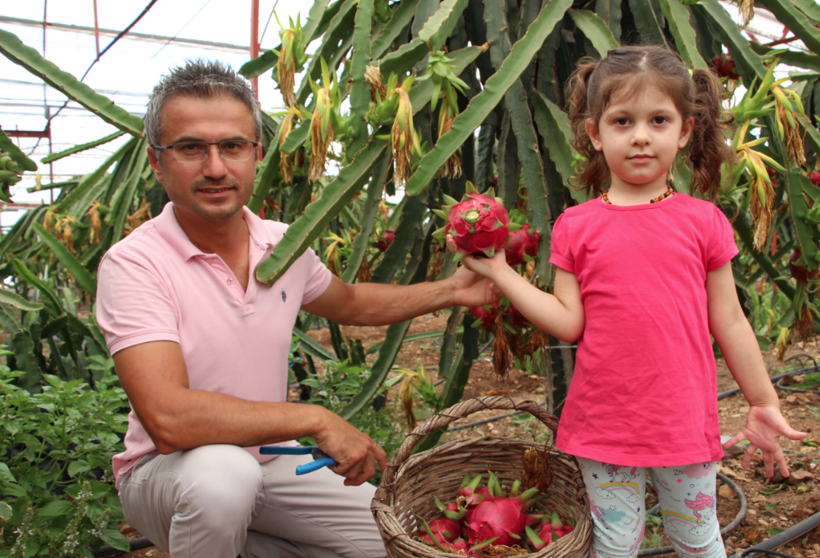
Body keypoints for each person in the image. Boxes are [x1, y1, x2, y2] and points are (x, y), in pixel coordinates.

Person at [95, 59, 499, 558]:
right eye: (191, 148)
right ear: (157, 162)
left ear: (257, 154)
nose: (216, 167)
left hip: (269, 462)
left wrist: (454, 290)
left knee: (389, 544)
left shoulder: (283, 246)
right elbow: (168, 418)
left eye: (233, 146)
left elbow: (350, 302)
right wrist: (315, 419)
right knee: (224, 478)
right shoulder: (135, 263)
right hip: (170, 472)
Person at [448, 46, 807, 558]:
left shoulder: (704, 221)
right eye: (623, 121)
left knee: (697, 540)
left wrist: (763, 400)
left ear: (684, 131)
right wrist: (502, 273)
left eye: (658, 120)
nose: (641, 135)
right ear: (595, 133)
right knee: (615, 545)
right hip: (603, 426)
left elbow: (729, 320)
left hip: (682, 423)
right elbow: (568, 323)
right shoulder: (576, 224)